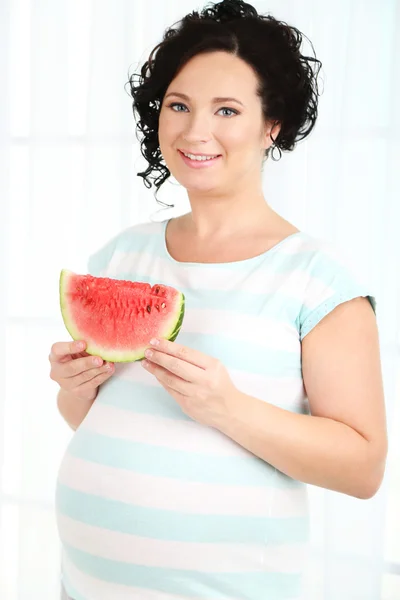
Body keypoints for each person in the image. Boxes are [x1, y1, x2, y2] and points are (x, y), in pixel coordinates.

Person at [49, 1, 388, 599]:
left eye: (226, 110)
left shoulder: (317, 278)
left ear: (271, 125)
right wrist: (75, 389)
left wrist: (226, 406)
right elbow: (97, 422)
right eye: (178, 106)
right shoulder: (122, 257)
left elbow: (363, 468)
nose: (193, 131)